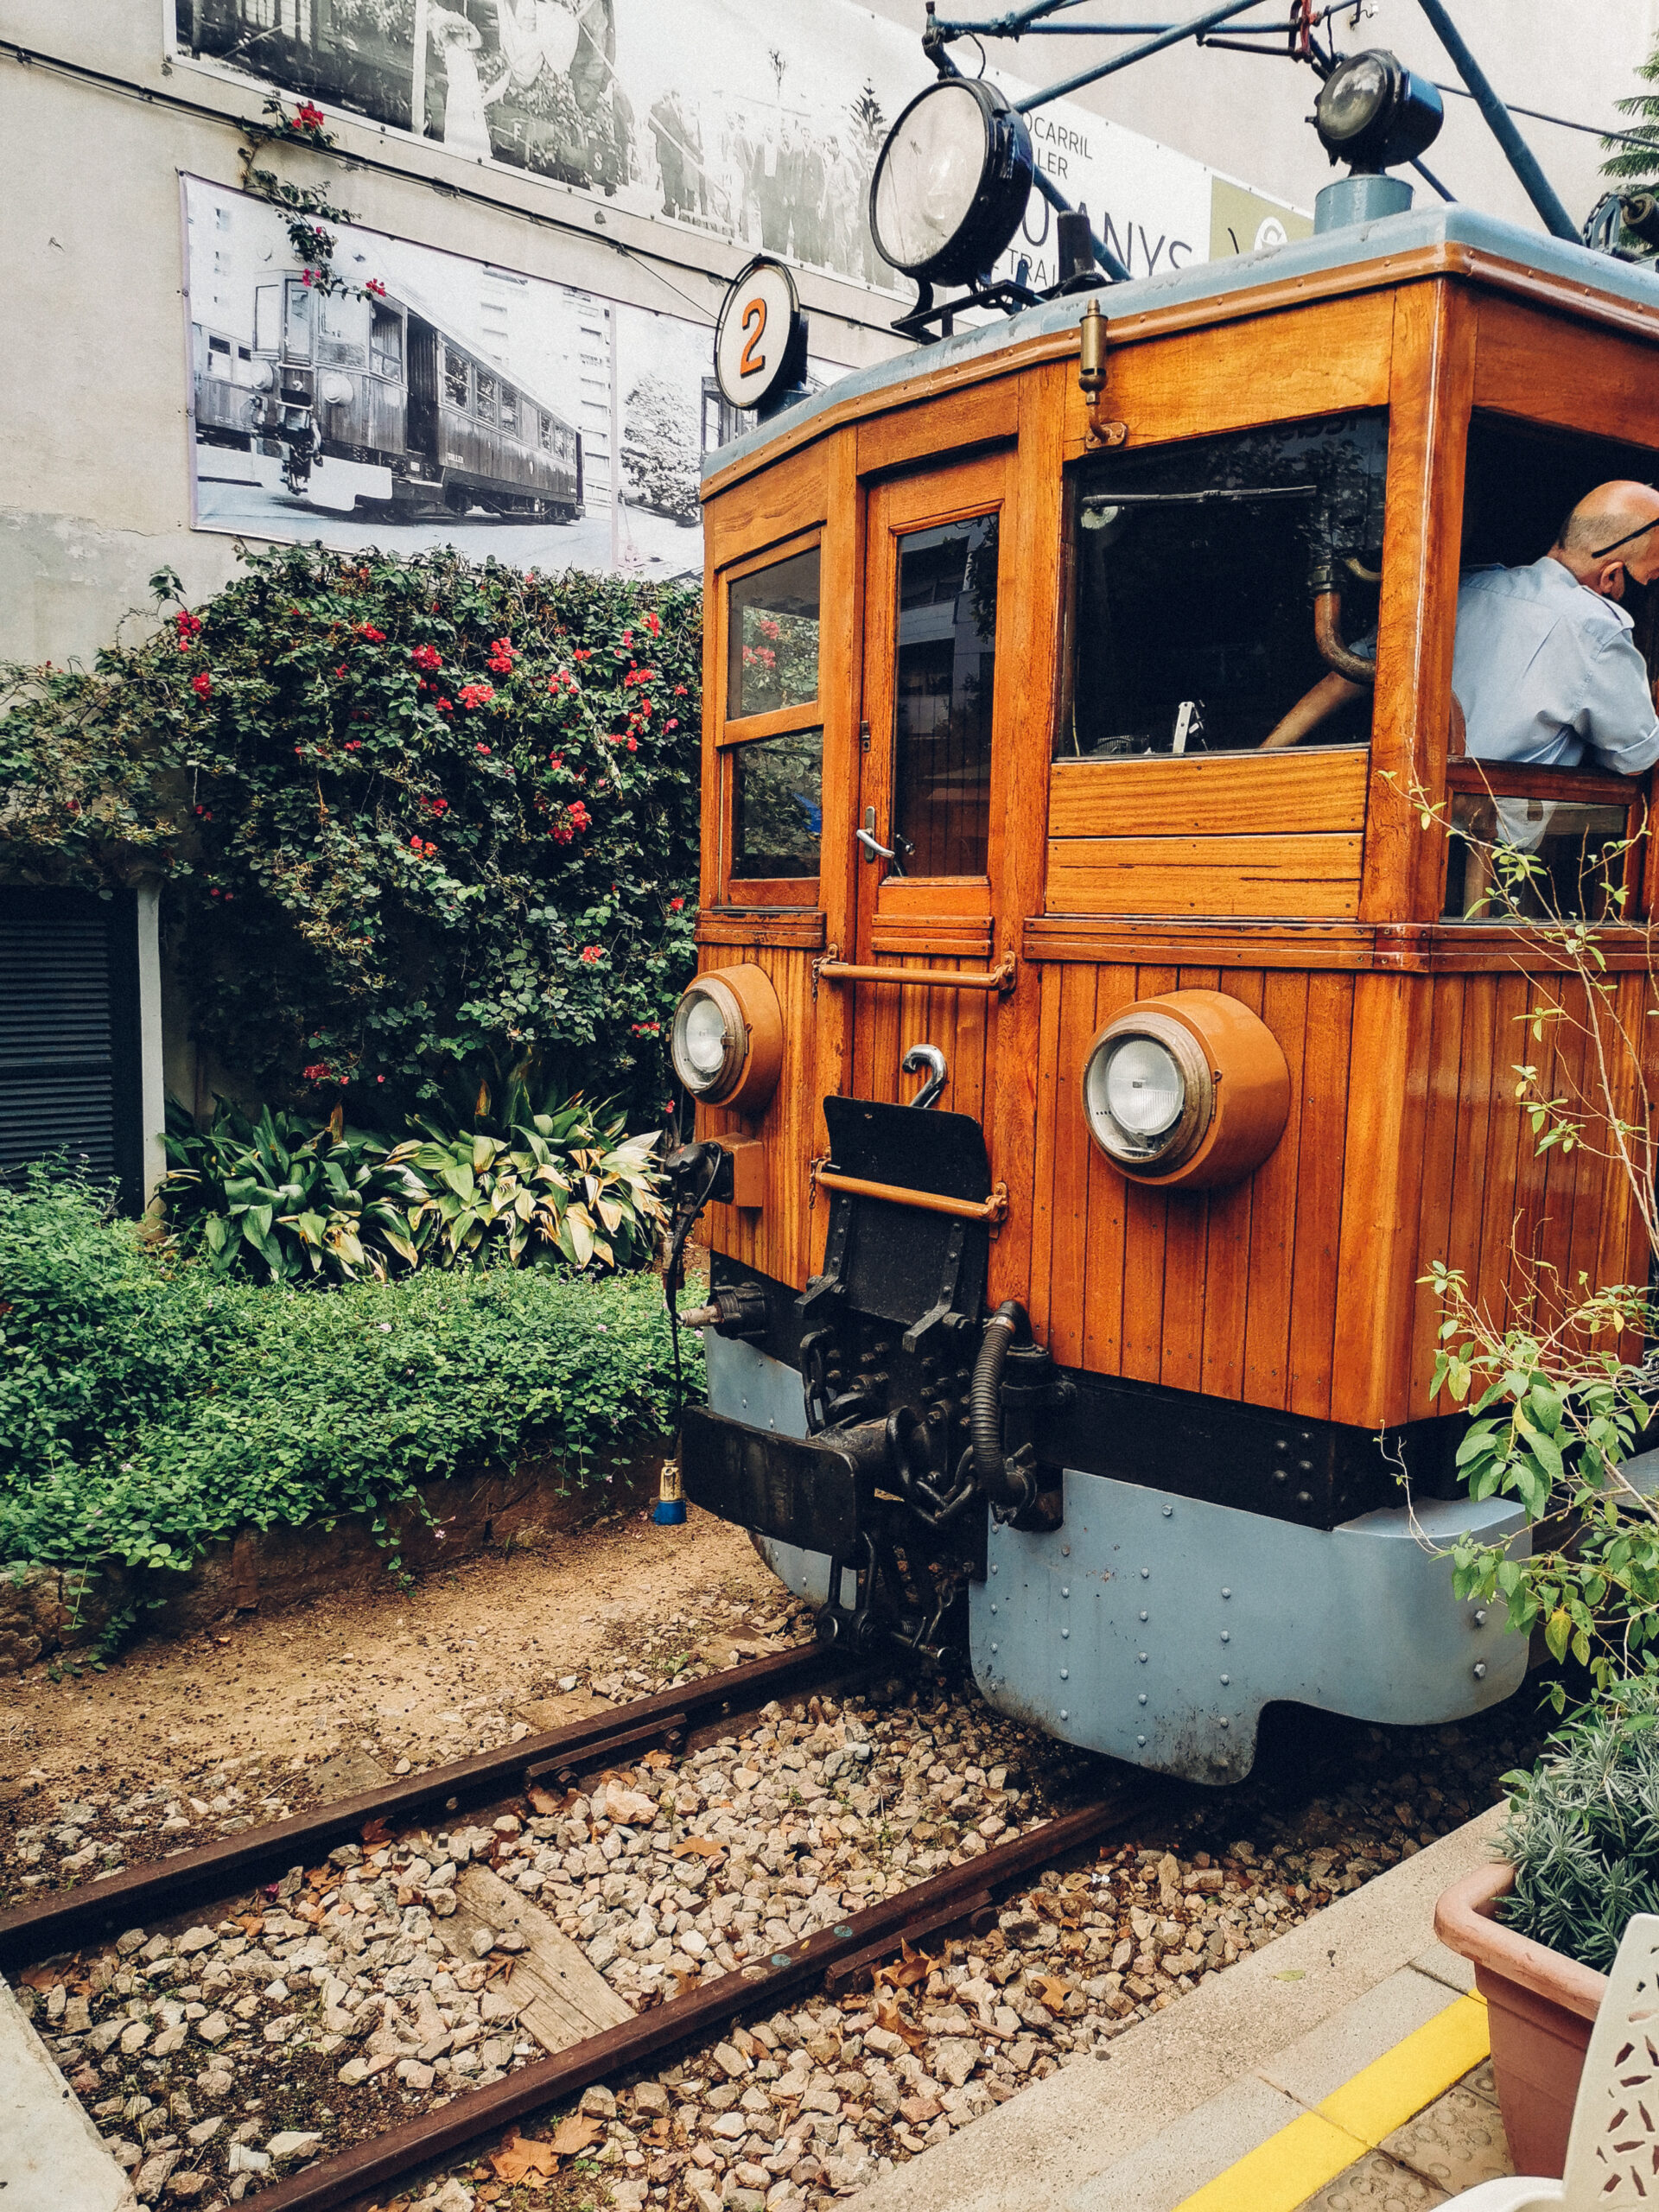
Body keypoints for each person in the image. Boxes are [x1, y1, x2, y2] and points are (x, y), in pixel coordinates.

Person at [1259, 480, 1659, 782]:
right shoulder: (1597, 630)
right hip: (1499, 867)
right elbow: (1636, 759)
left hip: (1402, 817)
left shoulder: (1461, 589)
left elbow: (1341, 678)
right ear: (1612, 577)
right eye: (1651, 578)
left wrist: (1259, 762)